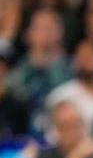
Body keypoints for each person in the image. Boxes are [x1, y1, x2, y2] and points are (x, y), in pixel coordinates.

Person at [7, 8, 72, 136]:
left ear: (60, 32)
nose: (46, 32)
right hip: (22, 137)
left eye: (50, 27)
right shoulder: (17, 73)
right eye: (40, 27)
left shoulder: (73, 68)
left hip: (62, 134)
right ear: (28, 33)